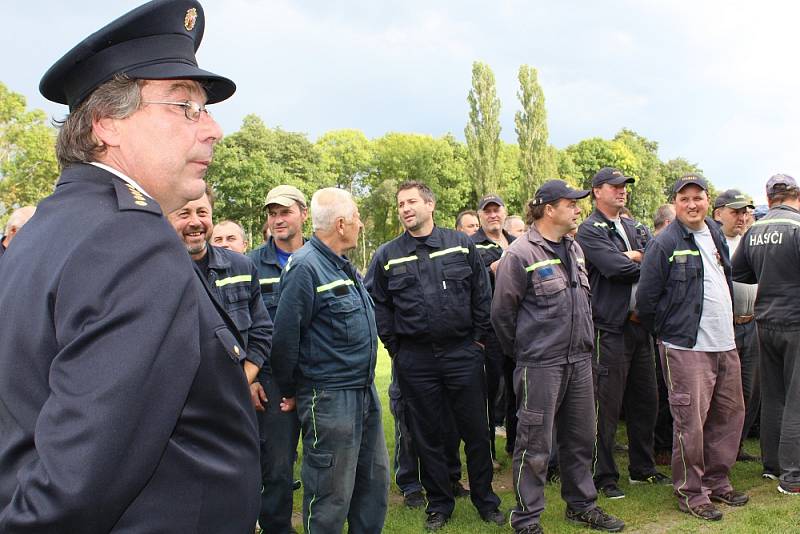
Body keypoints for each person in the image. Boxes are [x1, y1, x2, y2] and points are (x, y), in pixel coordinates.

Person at [0, 1, 261, 531]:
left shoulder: (50, 228)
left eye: (204, 108)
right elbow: (72, 490)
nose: (212, 128)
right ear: (107, 125)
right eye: (184, 106)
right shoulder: (131, 241)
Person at [366, 181, 503, 531]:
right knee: (427, 434)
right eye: (400, 204)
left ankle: (486, 500)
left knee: (475, 431)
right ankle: (439, 504)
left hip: (463, 353)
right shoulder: (387, 255)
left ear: (430, 204)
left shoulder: (460, 245)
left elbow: (481, 293)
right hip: (416, 358)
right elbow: (378, 303)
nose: (405, 208)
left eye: (411, 201)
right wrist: (395, 348)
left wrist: (477, 342)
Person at [492, 180, 625, 534]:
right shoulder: (520, 254)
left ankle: (582, 505)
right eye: (571, 203)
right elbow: (502, 315)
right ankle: (526, 519)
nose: (578, 208)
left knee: (581, 440)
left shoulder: (575, 248)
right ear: (549, 209)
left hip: (580, 361)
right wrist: (526, 352)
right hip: (540, 365)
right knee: (534, 446)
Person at [271, 188, 390, 533]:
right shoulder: (306, 267)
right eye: (355, 218)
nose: (360, 225)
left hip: (363, 392)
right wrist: (297, 390)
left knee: (373, 487)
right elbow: (284, 340)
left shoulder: (341, 265)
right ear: (340, 224)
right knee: (330, 495)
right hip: (329, 398)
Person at [637, 174, 748, 520]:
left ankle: (718, 482)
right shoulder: (665, 243)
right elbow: (646, 301)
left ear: (707, 201)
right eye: (684, 199)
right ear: (675, 204)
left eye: (697, 197)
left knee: (728, 415)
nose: (691, 204)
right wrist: (668, 335)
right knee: (691, 423)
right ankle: (692, 492)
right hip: (686, 347)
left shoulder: (714, 234)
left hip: (724, 342)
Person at [576, 167, 667, 499]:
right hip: (609, 327)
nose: (622, 191)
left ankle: (643, 469)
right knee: (606, 405)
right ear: (597, 191)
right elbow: (616, 269)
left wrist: (638, 258)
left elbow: (659, 261)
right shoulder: (589, 229)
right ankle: (604, 475)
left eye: (624, 186)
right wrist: (636, 260)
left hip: (641, 327)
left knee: (646, 401)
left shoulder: (635, 225)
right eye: (614, 186)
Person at [732, 174, 800, 494]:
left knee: (773, 396)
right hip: (796, 321)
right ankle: (794, 474)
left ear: (769, 197)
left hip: (764, 320)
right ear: (795, 195)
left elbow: (740, 272)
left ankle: (771, 466)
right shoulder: (798, 227)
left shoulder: (754, 229)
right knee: (796, 398)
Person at [247, 184, 307, 534]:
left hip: (316, 377)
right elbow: (239, 324)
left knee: (324, 462)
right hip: (271, 382)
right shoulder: (252, 263)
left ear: (303, 213)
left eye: (285, 211)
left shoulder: (323, 258)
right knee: (278, 468)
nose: (278, 219)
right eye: (272, 213)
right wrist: (251, 378)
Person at [168, 187, 272, 385]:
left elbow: (262, 331)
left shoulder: (241, 267)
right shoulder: (155, 272)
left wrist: (241, 384)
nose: (195, 222)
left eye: (202, 212)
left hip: (234, 399)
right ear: (167, 219)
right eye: (184, 213)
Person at [712, 189, 761, 463]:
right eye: (736, 212)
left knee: (748, 390)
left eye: (746, 212)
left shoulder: (750, 242)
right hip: (724, 327)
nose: (742, 217)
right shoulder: (713, 243)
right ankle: (719, 449)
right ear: (718, 214)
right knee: (722, 392)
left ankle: (736, 446)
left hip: (750, 323)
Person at [472, 193, 516, 466]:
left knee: (517, 390)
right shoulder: (471, 245)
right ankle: (486, 453)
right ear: (480, 216)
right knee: (486, 394)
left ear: (504, 212)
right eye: (487, 211)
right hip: (488, 331)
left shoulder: (516, 242)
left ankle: (515, 445)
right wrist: (491, 269)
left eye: (496, 210)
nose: (492, 215)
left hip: (518, 327)